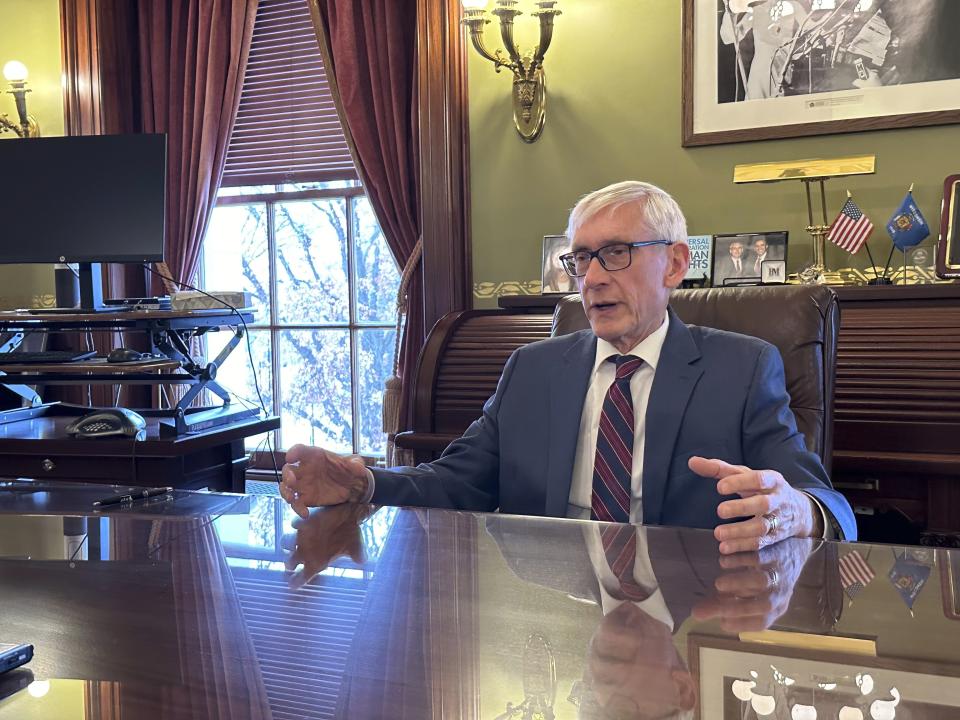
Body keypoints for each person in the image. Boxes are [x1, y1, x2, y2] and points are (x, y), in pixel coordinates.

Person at [280, 180, 857, 552]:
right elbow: (458, 482)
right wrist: (366, 483)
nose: (594, 277)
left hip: (688, 614)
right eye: (582, 259)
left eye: (616, 253)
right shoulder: (532, 369)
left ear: (676, 265)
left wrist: (796, 511)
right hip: (552, 614)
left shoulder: (743, 367)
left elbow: (824, 502)